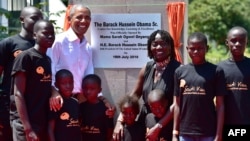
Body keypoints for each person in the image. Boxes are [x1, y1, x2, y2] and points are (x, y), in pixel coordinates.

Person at [113, 29, 181, 141]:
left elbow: (176, 104)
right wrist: (120, 121)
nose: (158, 47)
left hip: (167, 124)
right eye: (155, 44)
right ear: (150, 47)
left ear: (170, 46)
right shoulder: (147, 68)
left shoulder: (178, 70)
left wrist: (158, 127)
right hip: (145, 122)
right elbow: (133, 96)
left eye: (163, 43)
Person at [47, 4, 115, 116]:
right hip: (58, 100)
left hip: (79, 100)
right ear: (69, 19)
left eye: (87, 17)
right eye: (79, 17)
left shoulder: (87, 47)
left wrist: (101, 98)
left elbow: (89, 76)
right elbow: (50, 70)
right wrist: (53, 92)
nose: (83, 21)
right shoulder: (59, 42)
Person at [172, 32, 226, 141]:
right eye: (192, 48)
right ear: (187, 49)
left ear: (207, 48)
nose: (196, 51)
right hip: (185, 133)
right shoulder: (180, 72)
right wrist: (174, 133)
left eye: (200, 48)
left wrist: (218, 134)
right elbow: (177, 104)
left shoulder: (216, 71)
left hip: (208, 132)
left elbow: (220, 105)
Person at [0, 6, 43, 141]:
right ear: (22, 20)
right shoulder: (9, 43)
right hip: (9, 105)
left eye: (41, 19)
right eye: (34, 18)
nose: (38, 22)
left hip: (35, 106)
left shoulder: (42, 45)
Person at [11, 19, 55, 141]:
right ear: (35, 35)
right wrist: (28, 128)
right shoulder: (25, 57)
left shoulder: (47, 60)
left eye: (52, 33)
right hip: (26, 125)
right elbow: (18, 93)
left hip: (41, 123)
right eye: (46, 33)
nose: (50, 36)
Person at [217, 26, 250, 139]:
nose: (237, 44)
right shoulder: (219, 68)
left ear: (247, 42)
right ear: (227, 42)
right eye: (234, 40)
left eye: (241, 41)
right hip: (225, 124)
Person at [48, 69, 81, 141]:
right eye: (64, 83)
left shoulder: (75, 102)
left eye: (70, 82)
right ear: (56, 85)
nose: (68, 86)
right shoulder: (55, 102)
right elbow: (50, 129)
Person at [79, 74, 113, 141]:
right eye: (85, 88)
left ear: (99, 90)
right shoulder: (81, 107)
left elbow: (109, 128)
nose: (88, 91)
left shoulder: (105, 108)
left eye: (92, 89)